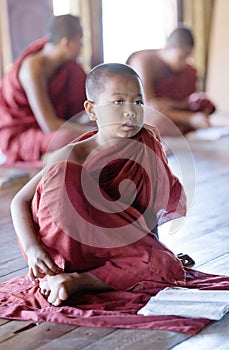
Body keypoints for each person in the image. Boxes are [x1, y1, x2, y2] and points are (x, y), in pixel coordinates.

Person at [10, 63, 187, 307]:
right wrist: (33, 251)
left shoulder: (146, 143)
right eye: (118, 102)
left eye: (137, 102)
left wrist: (152, 249)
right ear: (92, 110)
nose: (130, 112)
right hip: (67, 248)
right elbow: (20, 200)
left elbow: (148, 209)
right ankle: (68, 273)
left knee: (164, 264)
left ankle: (78, 281)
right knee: (65, 174)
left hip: (112, 245)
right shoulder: (73, 154)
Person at [0, 14, 95, 165]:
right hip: (22, 134)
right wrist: (96, 133)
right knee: (68, 137)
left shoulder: (68, 67)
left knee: (88, 128)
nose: (81, 47)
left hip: (54, 126)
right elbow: (49, 124)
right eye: (80, 42)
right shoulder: (32, 68)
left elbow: (80, 110)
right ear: (66, 43)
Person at [127, 24, 216, 136]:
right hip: (149, 114)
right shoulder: (143, 61)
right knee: (156, 122)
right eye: (181, 57)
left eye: (188, 57)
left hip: (172, 110)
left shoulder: (187, 69)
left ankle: (182, 125)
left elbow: (187, 101)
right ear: (168, 47)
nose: (184, 62)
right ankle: (183, 125)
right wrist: (190, 118)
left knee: (204, 103)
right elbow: (148, 106)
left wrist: (175, 105)